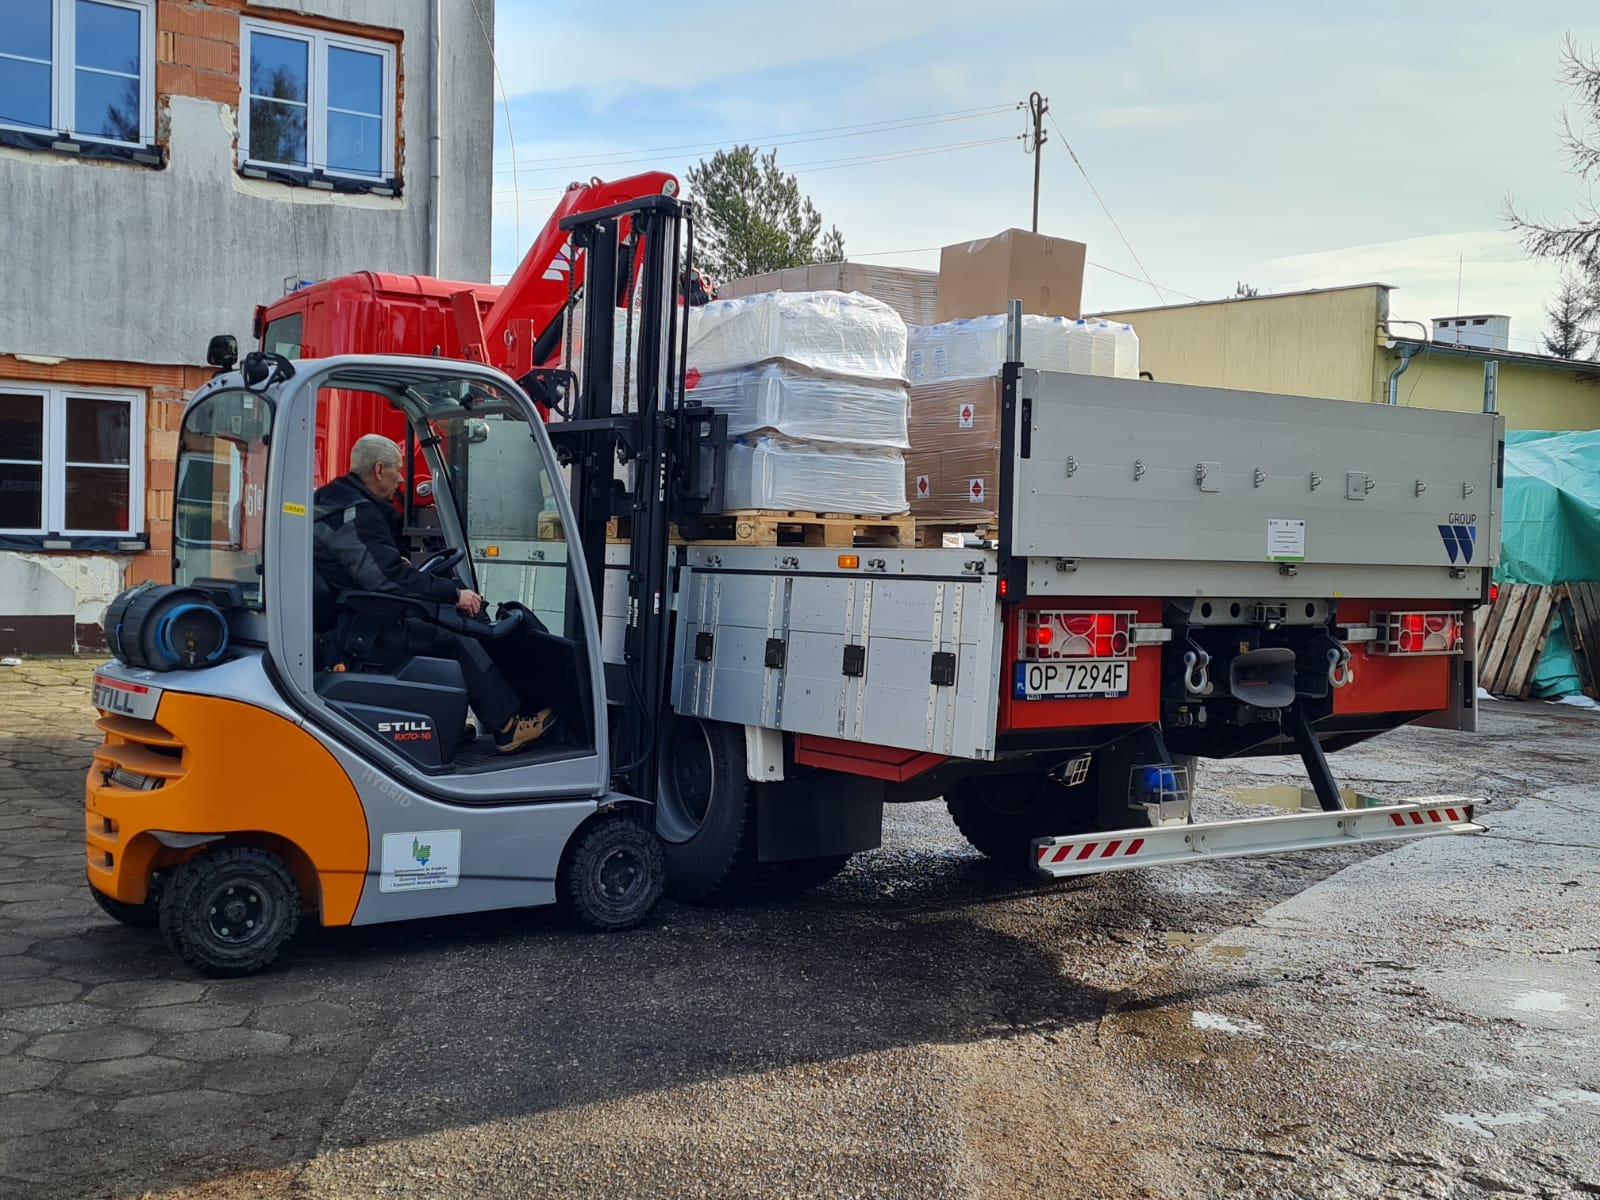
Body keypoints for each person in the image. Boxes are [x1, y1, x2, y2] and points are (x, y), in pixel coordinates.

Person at [313, 434, 555, 755]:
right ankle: (508, 727)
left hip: (347, 620)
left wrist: (403, 569)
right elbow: (386, 580)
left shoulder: (331, 500)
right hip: (361, 632)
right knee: (454, 638)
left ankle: (444, 721)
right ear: (379, 470)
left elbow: (370, 567)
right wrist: (454, 594)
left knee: (437, 626)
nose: (402, 479)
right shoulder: (357, 512)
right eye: (397, 470)